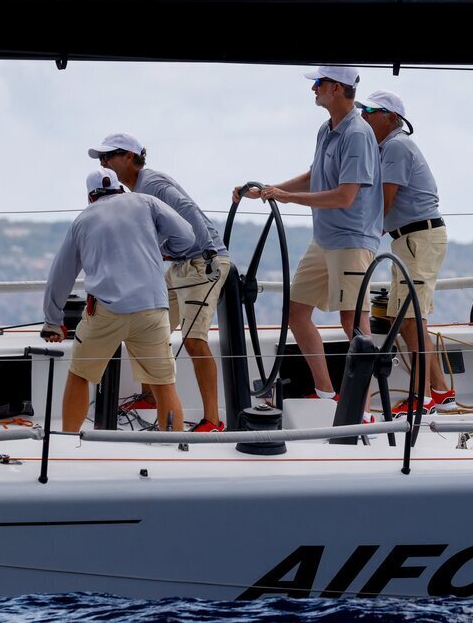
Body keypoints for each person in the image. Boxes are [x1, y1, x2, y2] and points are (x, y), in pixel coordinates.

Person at [235, 66, 382, 420]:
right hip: (325, 239)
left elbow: (346, 196)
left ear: (334, 88)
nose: (313, 89)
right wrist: (268, 190)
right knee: (295, 311)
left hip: (352, 240)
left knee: (354, 324)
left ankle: (360, 414)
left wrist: (287, 197)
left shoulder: (358, 134)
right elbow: (315, 175)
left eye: (318, 83)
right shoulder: (326, 129)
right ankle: (326, 394)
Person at [88, 133, 230, 432]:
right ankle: (150, 397)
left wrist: (200, 252)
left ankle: (214, 421)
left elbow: (190, 214)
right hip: (183, 264)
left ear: (129, 157)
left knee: (194, 340)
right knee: (145, 324)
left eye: (108, 156)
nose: (103, 162)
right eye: (101, 159)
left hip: (202, 262)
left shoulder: (152, 185)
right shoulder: (136, 191)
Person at [42, 168, 197, 433]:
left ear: (91, 197)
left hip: (106, 312)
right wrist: (162, 249)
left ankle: (66, 443)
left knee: (80, 375)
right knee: (163, 385)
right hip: (152, 310)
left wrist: (53, 321)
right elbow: (187, 235)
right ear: (120, 188)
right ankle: (175, 449)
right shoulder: (145, 202)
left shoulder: (83, 220)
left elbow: (61, 274)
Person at [357, 89, 457, 415]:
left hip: (417, 240)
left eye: (371, 110)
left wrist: (361, 239)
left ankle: (421, 399)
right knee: (407, 319)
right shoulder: (388, 148)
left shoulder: (397, 147)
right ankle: (440, 390)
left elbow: (384, 202)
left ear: (392, 118)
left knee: (411, 318)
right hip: (411, 240)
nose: (363, 116)